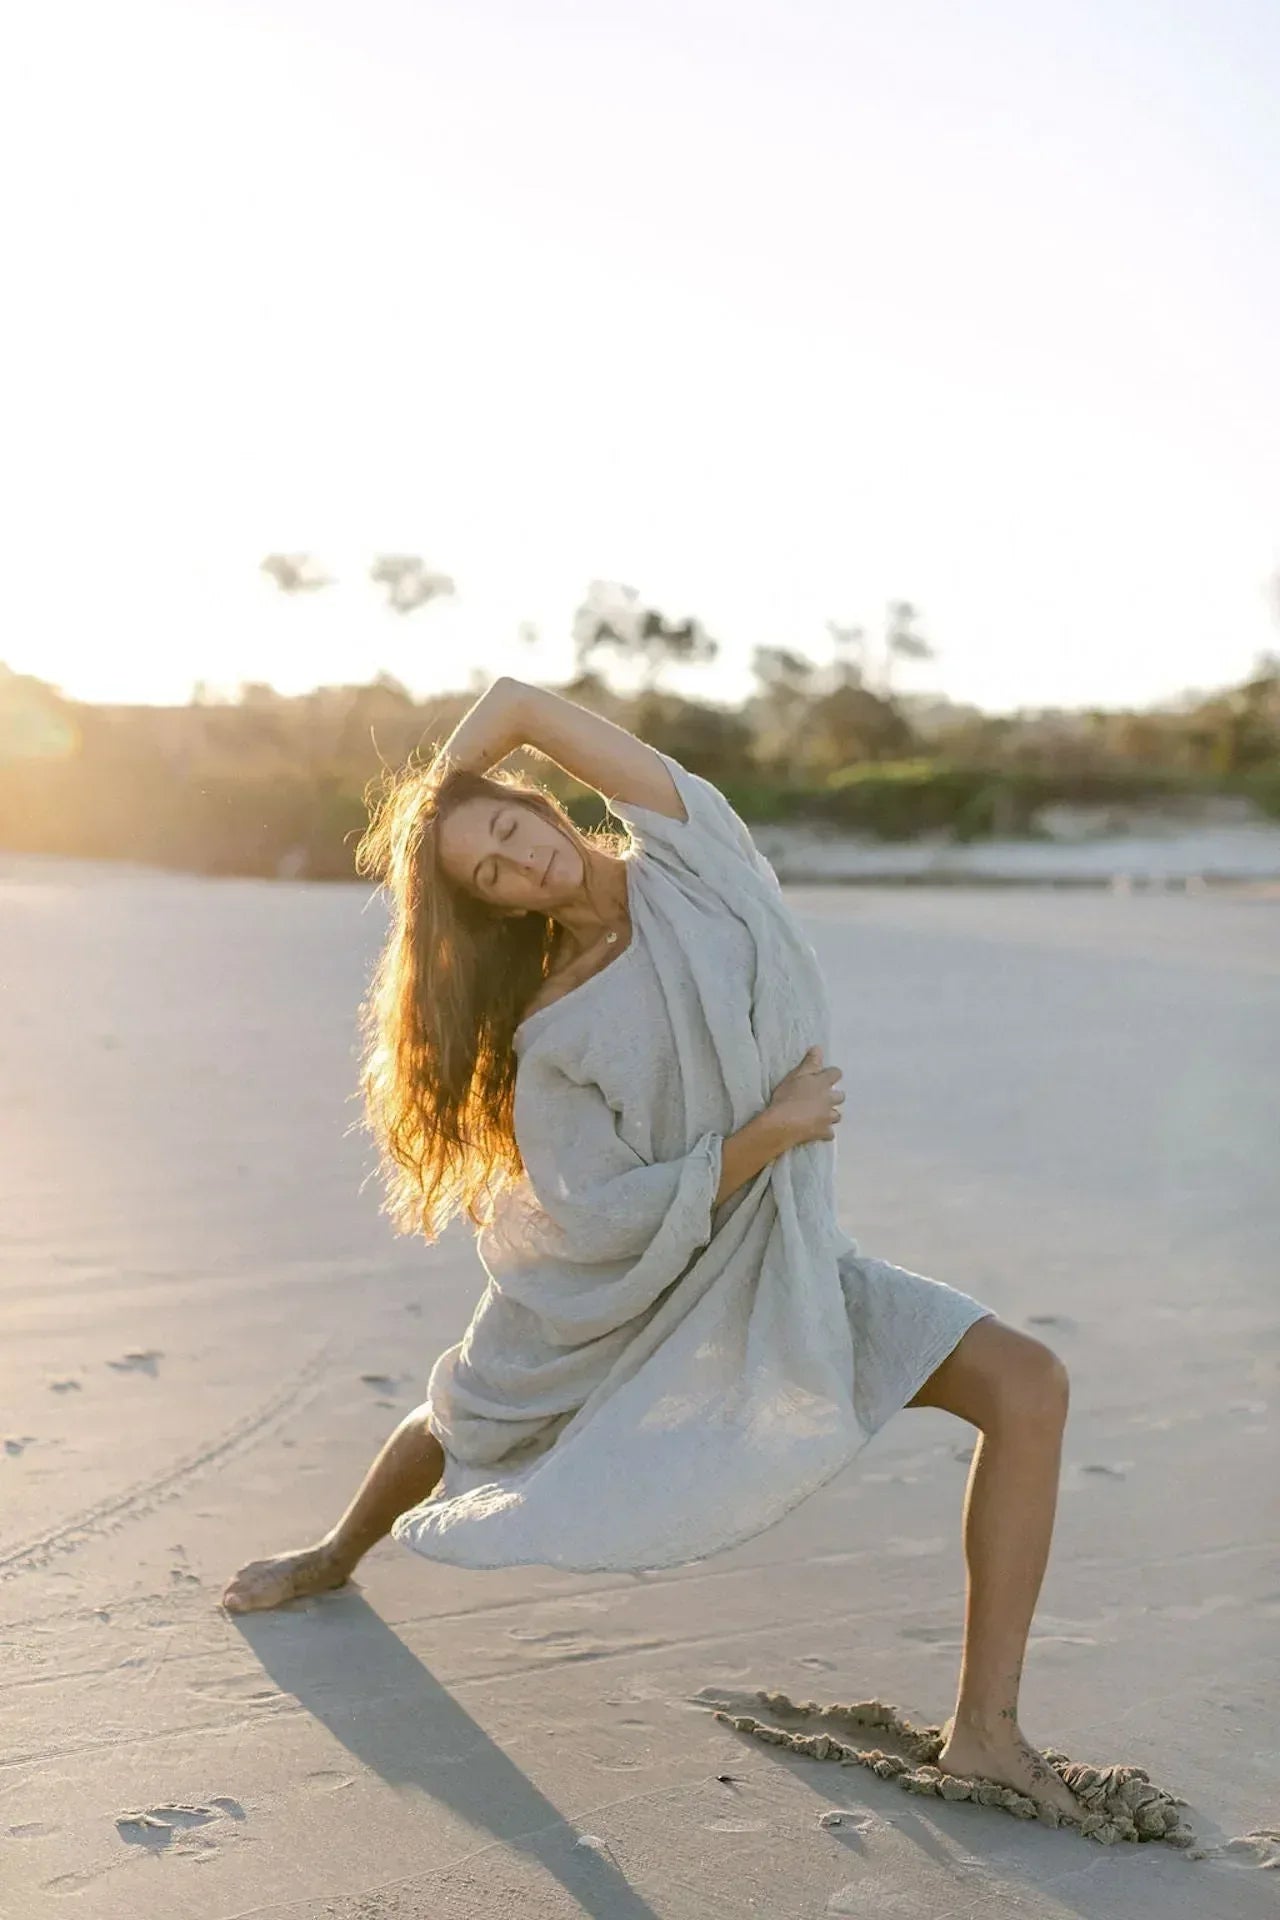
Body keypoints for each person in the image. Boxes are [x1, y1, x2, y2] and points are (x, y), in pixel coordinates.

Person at [222, 676, 1080, 1820]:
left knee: (1026, 1383)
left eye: (512, 828)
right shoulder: (555, 1024)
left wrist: (433, 804)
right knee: (471, 1413)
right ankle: (334, 1554)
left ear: (537, 801)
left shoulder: (693, 853)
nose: (523, 863)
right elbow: (598, 1217)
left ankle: (984, 1734)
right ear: (491, 909)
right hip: (639, 1280)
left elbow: (517, 701)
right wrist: (764, 1133)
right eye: (489, 872)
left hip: (782, 1257)